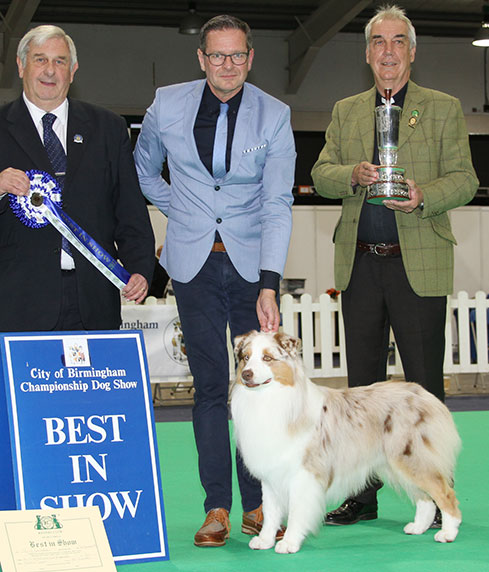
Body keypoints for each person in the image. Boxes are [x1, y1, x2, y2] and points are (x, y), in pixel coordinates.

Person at [311, 5, 478, 526]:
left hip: (418, 265)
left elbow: (466, 179)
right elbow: (320, 173)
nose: (388, 51)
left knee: (424, 384)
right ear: (367, 54)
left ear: (412, 51)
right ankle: (363, 496)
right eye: (378, 42)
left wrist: (425, 195)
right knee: (361, 392)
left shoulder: (444, 107)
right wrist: (353, 175)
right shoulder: (345, 110)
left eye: (398, 41)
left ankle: (435, 490)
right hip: (359, 268)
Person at [134, 15, 295, 547]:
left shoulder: (275, 115)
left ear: (250, 58)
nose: (227, 66)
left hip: (251, 269)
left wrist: (270, 282)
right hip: (193, 266)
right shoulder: (166, 104)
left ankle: (257, 504)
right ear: (201, 58)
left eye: (237, 56)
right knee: (207, 387)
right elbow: (143, 169)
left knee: (257, 391)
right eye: (217, 56)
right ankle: (217, 508)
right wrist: (178, 211)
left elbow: (277, 202)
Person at [0, 25, 155, 332]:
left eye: (59, 61)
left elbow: (128, 207)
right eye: (40, 60)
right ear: (21, 66)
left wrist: (139, 268)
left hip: (94, 298)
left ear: (73, 71)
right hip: (18, 301)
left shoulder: (108, 128)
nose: (50, 70)